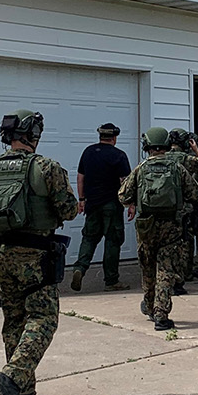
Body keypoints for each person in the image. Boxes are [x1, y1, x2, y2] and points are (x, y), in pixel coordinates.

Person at [0, 109, 79, 395]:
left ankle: (23, 390)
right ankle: (11, 377)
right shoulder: (46, 167)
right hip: (36, 255)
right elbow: (68, 210)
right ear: (33, 134)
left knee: (14, 320)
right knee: (43, 319)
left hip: (2, 255)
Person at [118, 128, 197, 333]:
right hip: (172, 225)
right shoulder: (177, 168)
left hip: (146, 226)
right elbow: (194, 192)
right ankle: (161, 315)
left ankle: (150, 305)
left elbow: (123, 196)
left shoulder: (140, 169)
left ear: (147, 146)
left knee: (147, 266)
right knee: (165, 270)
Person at [70, 123, 132, 292]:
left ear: (100, 136)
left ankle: (79, 268)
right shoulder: (119, 155)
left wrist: (81, 199)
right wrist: (130, 203)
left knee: (89, 238)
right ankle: (111, 281)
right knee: (113, 241)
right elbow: (125, 182)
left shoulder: (88, 152)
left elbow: (80, 178)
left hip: (92, 203)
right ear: (114, 138)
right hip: (112, 204)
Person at [167, 128, 198, 290]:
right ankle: (184, 274)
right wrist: (197, 151)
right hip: (184, 208)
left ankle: (168, 274)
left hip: (165, 208)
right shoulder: (187, 159)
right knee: (185, 240)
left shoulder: (161, 157)